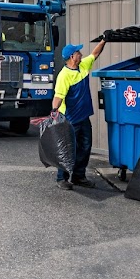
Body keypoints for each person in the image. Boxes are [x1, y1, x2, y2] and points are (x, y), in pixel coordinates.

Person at [51, 33, 109, 190]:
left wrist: (104, 40)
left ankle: (78, 176)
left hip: (83, 117)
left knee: (85, 146)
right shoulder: (64, 76)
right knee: (67, 149)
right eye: (78, 52)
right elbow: (58, 96)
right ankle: (61, 178)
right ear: (72, 57)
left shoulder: (82, 66)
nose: (81, 53)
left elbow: (95, 54)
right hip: (69, 119)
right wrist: (54, 113)